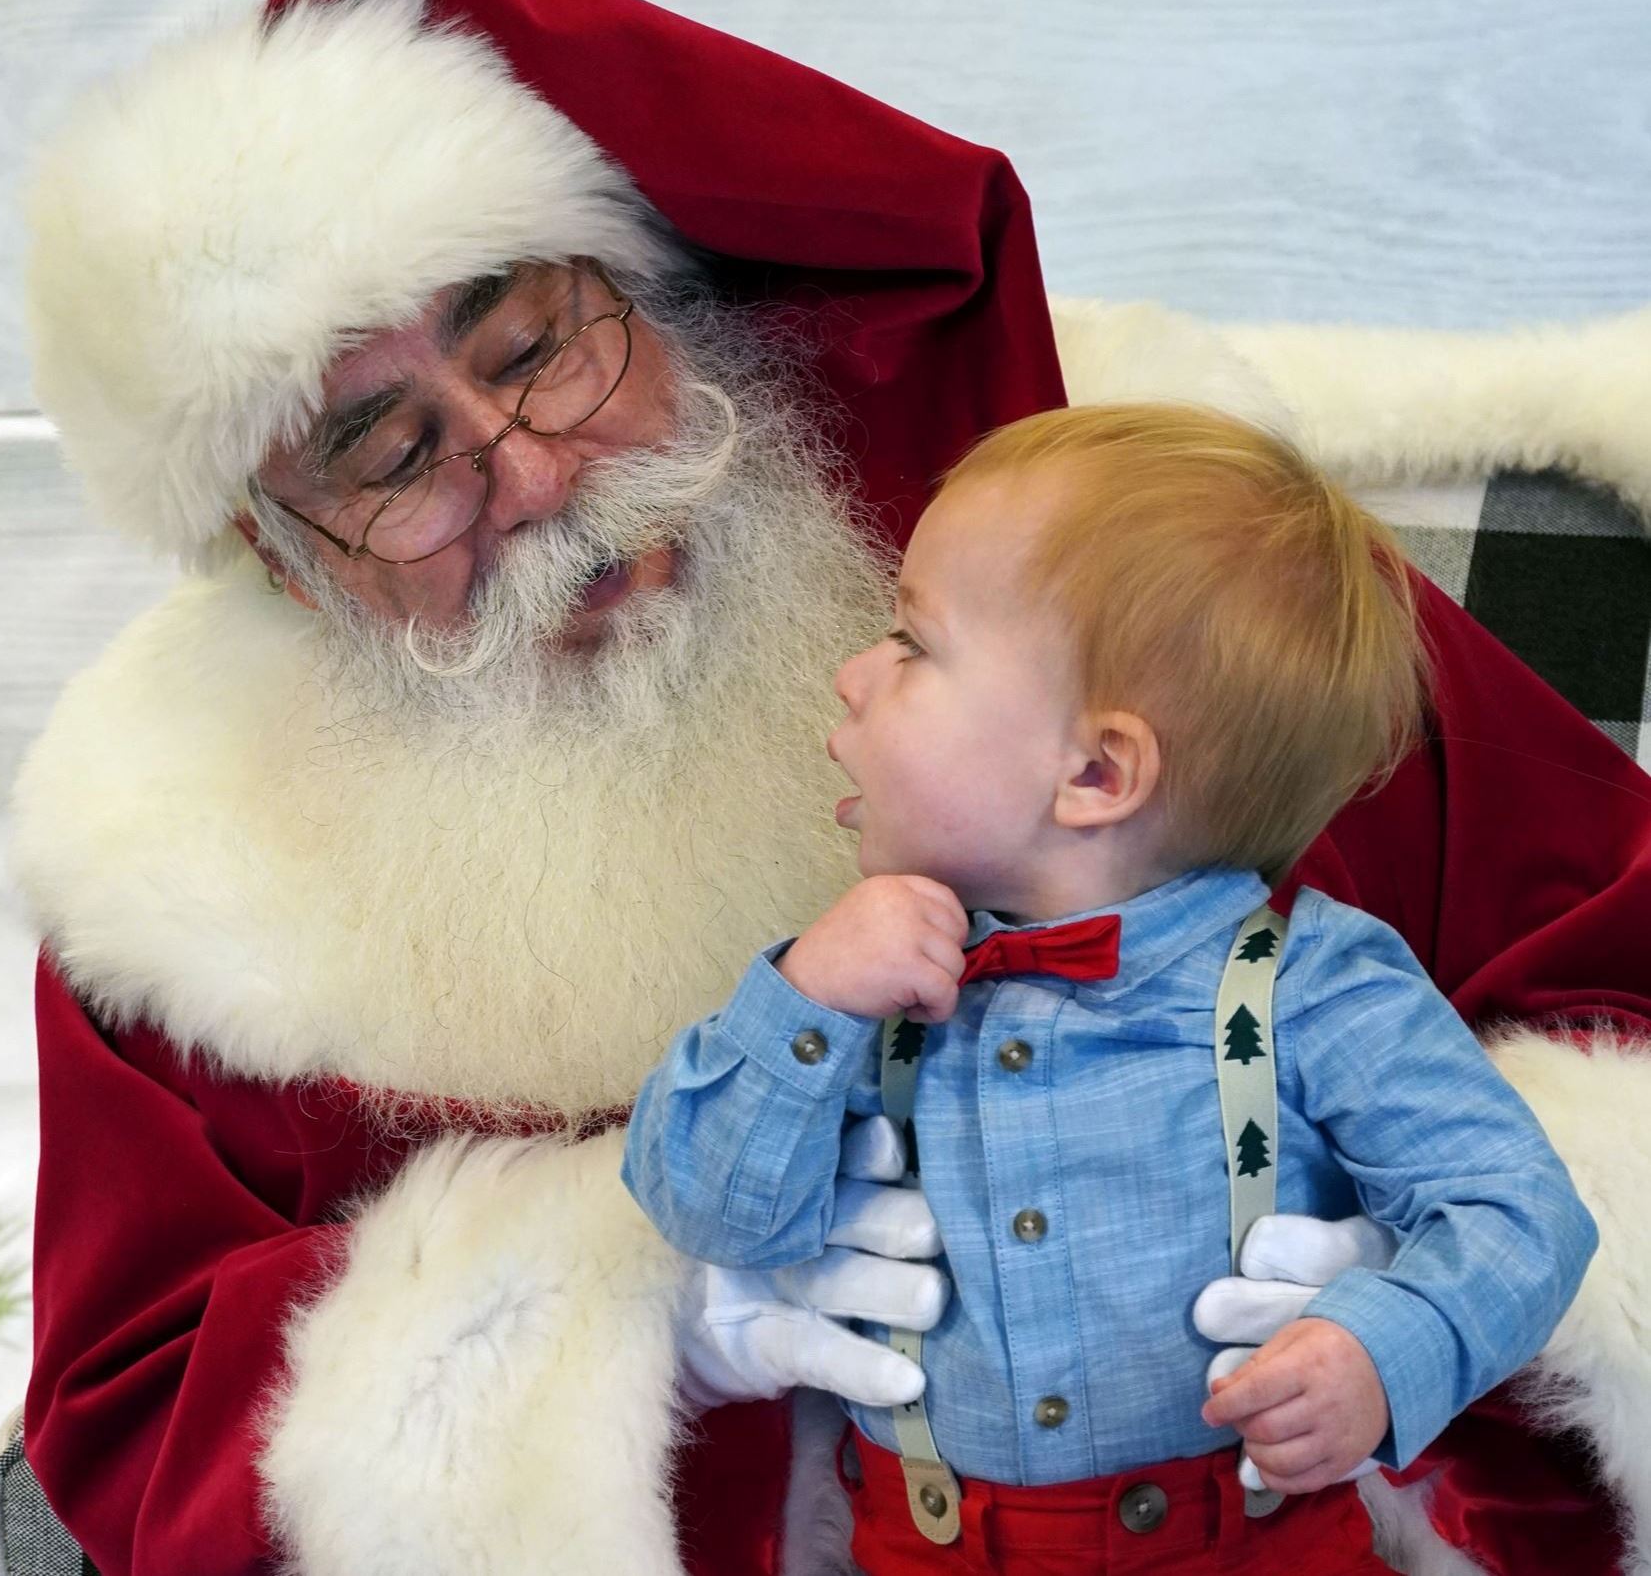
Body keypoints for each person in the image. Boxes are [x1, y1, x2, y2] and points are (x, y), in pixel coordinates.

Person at [3, 0, 1651, 1576]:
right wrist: (622, 1316)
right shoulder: (179, 860)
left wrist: (1444, 1288)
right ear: (279, 557)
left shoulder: (1123, 544)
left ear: (651, 287)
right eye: (388, 452)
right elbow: (137, 1419)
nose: (532, 475)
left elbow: (1613, 974)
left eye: (539, 347)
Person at [623, 402, 1599, 1574]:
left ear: (1094, 772)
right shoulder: (847, 982)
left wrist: (1387, 1346)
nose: (850, 676)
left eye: (911, 644)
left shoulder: (1314, 984)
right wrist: (804, 1003)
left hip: (1253, 1545)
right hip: (927, 1548)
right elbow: (711, 1213)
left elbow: (1519, 1210)